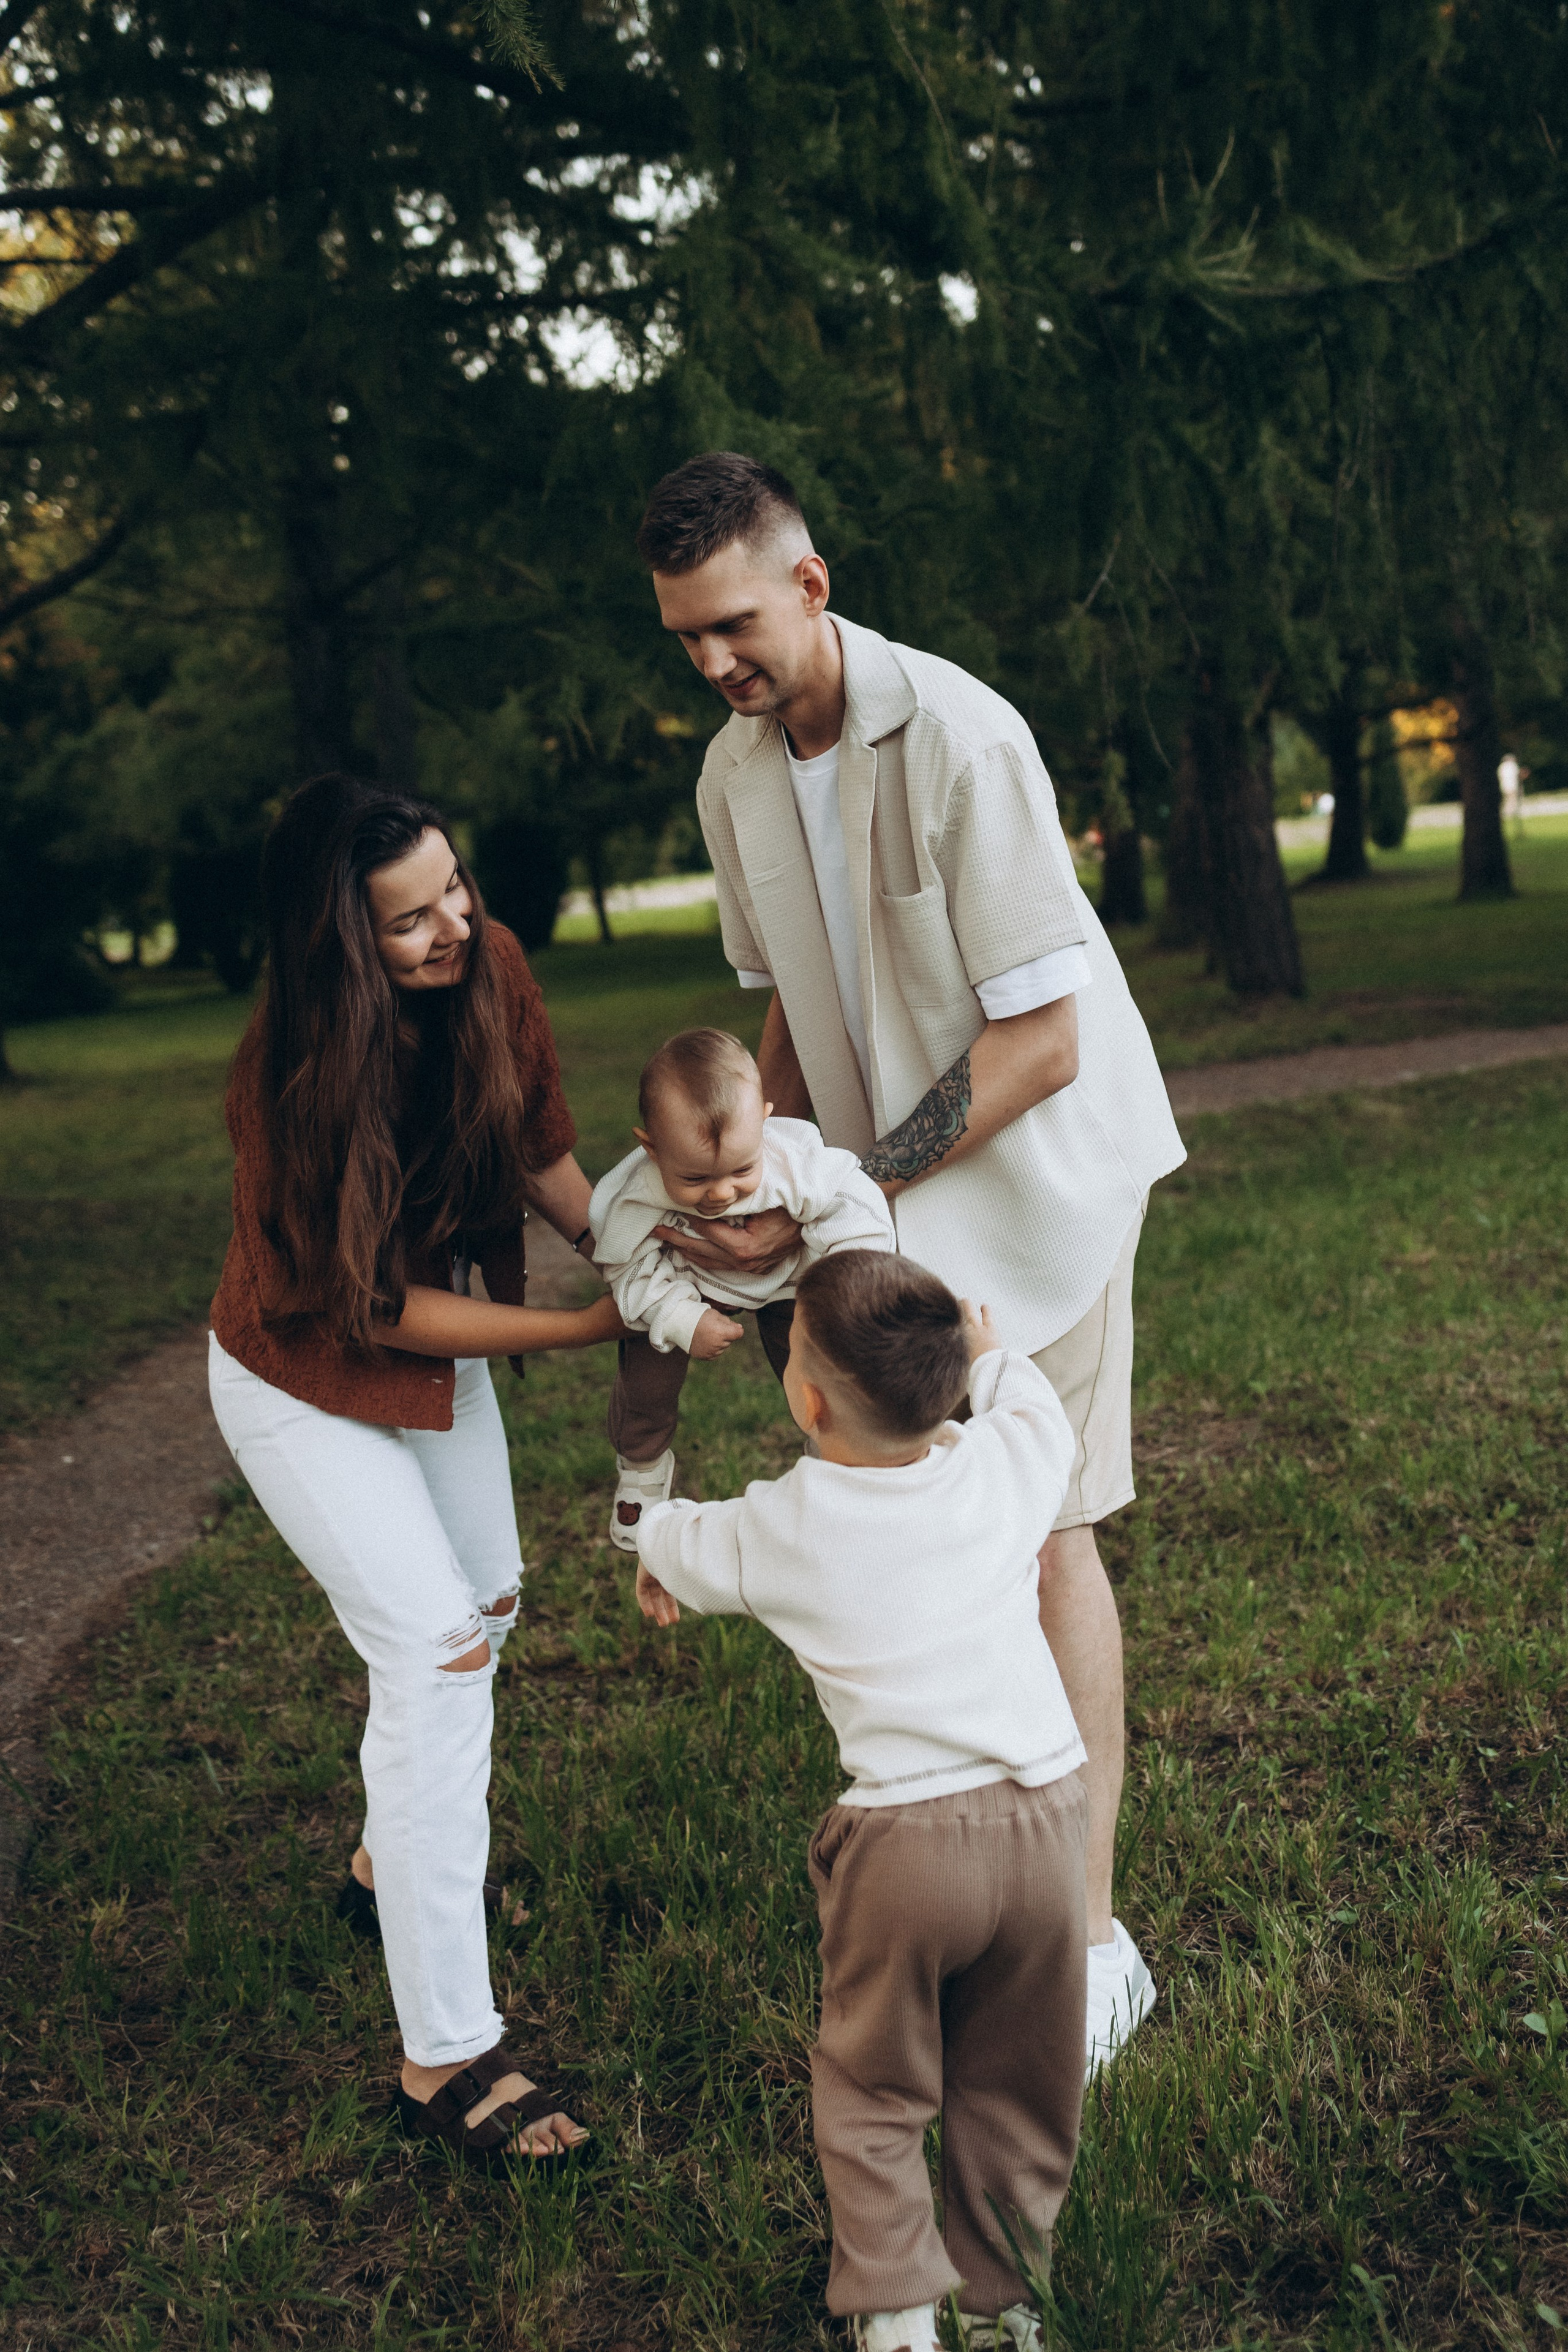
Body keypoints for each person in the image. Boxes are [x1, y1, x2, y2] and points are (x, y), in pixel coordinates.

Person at [636, 451, 1186, 2071]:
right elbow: (794, 1005)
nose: (716, 665)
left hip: (1041, 1189)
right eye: (684, 639)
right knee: (939, 1544)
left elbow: (1039, 1042)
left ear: (809, 584)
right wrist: (766, 1177)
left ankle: (1090, 1949)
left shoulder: (957, 733)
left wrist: (857, 1182)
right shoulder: (734, 780)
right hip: (899, 1203)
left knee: (1046, 1537)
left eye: (733, 623)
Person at [206, 772, 622, 2168]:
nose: (453, 924)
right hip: (299, 1371)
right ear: (336, 943)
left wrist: (643, 1259)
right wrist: (574, 1323)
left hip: (419, 1349)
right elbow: (369, 1309)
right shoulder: (294, 1077)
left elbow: (542, 1142)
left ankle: (389, 1860)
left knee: (490, 1603)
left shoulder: (489, 960)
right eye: (409, 919)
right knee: (439, 1650)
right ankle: (443, 2053)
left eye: (455, 887)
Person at [634, 1250, 1087, 2352]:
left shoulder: (786, 1524)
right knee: (1022, 2081)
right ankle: (1005, 2305)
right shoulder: (1007, 1466)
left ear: (809, 1397)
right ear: (945, 1387)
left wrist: (650, 1543)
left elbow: (683, 1542)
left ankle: (895, 2313)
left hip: (906, 1844)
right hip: (1048, 1825)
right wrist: (987, 1355)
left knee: (876, 2084)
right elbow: (1031, 1402)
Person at [590, 1025, 894, 1547]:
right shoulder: (634, 1196)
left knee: (821, 1368)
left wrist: (839, 1283)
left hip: (786, 1281)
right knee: (647, 1375)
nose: (722, 1193)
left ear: (766, 1126)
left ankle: (835, 1463)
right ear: (652, 1148)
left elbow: (855, 1206)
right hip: (686, 1279)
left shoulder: (792, 1164)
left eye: (741, 1171)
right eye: (695, 1180)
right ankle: (642, 1468)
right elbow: (626, 1265)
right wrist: (682, 1317)